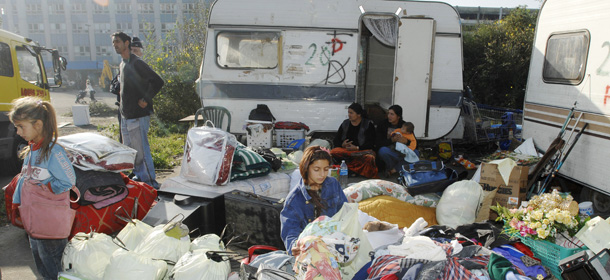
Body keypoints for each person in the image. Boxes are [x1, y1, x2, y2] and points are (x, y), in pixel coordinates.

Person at [8, 97, 77, 280]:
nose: (18, 132)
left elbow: (69, 180)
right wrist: (17, 201)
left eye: (21, 126)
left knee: (54, 268)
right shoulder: (32, 150)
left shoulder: (54, 152)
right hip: (35, 222)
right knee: (42, 266)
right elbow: (24, 179)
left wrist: (46, 188)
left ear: (38, 124)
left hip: (50, 224)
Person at [112, 31, 164, 189]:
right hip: (126, 116)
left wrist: (146, 99)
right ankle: (140, 178)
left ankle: (150, 184)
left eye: (117, 42)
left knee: (141, 151)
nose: (115, 45)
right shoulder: (122, 64)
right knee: (132, 152)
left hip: (138, 116)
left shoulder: (136, 63)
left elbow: (157, 81)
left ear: (127, 43)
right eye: (113, 42)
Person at [280, 146, 348, 256]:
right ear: (306, 168)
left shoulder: (333, 184)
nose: (322, 174)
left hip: (336, 244)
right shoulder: (294, 200)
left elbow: (346, 210)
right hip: (311, 252)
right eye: (316, 169)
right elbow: (290, 232)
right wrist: (294, 246)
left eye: (326, 169)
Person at [331, 103, 378, 178]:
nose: (349, 115)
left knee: (370, 157)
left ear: (359, 114)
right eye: (348, 113)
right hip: (346, 151)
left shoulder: (368, 124)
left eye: (351, 113)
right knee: (333, 152)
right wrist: (342, 144)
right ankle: (351, 170)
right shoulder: (345, 123)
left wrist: (357, 148)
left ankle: (352, 171)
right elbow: (336, 140)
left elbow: (371, 143)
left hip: (361, 151)